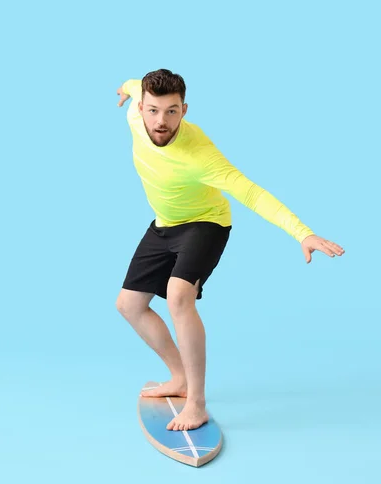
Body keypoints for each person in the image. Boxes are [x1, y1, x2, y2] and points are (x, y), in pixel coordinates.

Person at [115, 69, 344, 432]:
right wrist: (126, 88)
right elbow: (131, 84)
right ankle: (179, 377)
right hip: (163, 224)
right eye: (154, 110)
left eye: (172, 111)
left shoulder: (200, 155)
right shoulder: (134, 112)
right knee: (129, 305)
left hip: (206, 223)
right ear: (141, 107)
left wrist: (302, 233)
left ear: (184, 110)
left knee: (178, 297)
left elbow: (251, 193)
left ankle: (196, 404)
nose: (162, 121)